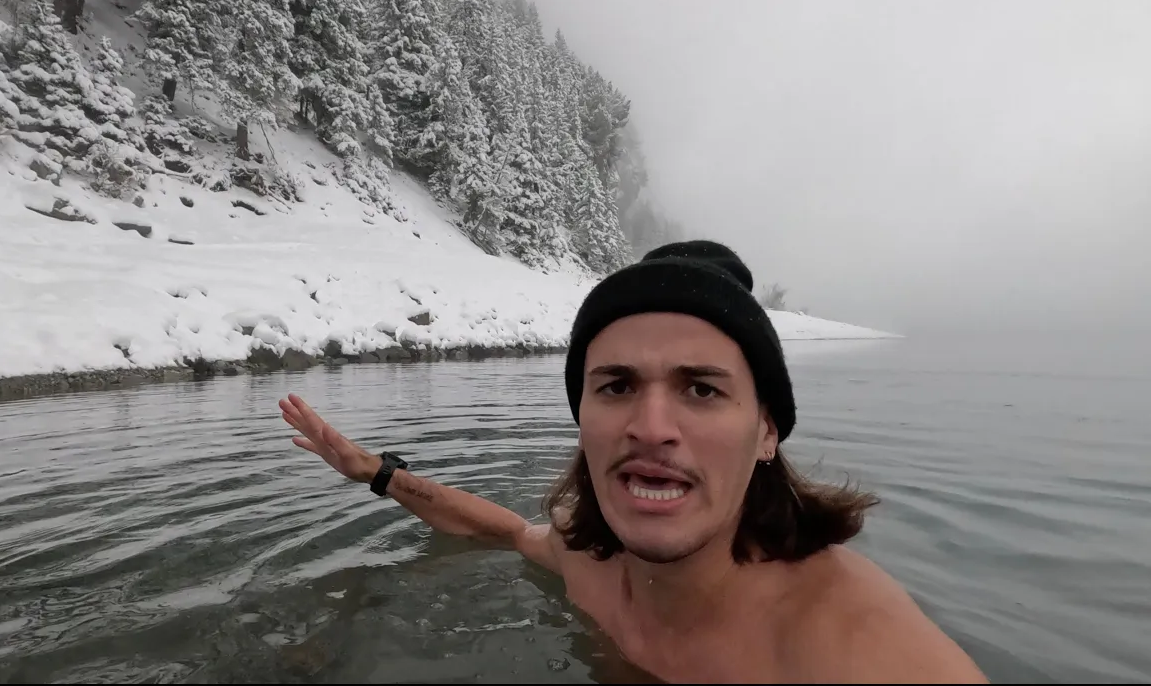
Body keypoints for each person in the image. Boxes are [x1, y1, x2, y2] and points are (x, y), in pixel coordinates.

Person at [278, 240, 988, 684]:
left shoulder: (854, 646)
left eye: (701, 389)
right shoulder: (588, 556)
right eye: (616, 386)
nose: (650, 428)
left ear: (767, 431)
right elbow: (506, 532)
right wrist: (378, 474)